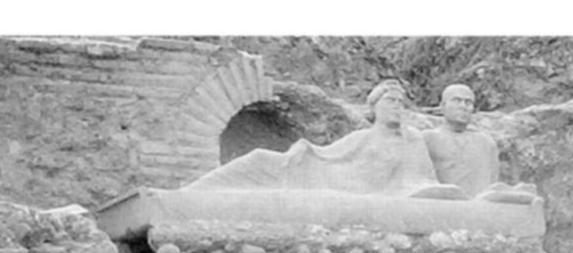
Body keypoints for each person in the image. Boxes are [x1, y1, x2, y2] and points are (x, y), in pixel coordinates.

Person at [186, 79, 464, 199]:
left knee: (261, 165)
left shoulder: (412, 138)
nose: (396, 106)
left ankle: (191, 196)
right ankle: (191, 193)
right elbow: (327, 154)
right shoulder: (363, 136)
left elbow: (423, 182)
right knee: (259, 159)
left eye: (400, 102)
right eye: (390, 100)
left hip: (348, 190)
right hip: (322, 175)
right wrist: (303, 149)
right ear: (375, 107)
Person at [424, 83, 541, 202]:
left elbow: (492, 180)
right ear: (443, 106)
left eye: (468, 102)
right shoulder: (428, 138)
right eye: (457, 101)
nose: (463, 106)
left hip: (481, 206)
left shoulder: (485, 142)